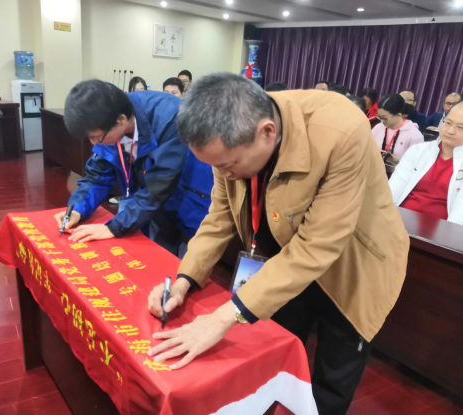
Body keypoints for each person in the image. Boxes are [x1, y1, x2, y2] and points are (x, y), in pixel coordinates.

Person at [146, 73, 409, 415]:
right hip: (283, 260)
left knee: (333, 377)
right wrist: (184, 279)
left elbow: (317, 246)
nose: (222, 174)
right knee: (274, 350)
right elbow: (219, 216)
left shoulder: (341, 129)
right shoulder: (228, 140)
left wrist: (223, 316)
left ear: (267, 132)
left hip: (354, 264)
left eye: (227, 166)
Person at [55, 80, 209, 257]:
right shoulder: (108, 119)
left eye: (97, 138)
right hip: (152, 203)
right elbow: (97, 175)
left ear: (121, 120)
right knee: (156, 257)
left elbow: (160, 185)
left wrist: (114, 227)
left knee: (186, 262)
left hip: (189, 197)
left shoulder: (171, 116)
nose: (93, 143)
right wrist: (76, 209)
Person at [389, 102, 463, 224]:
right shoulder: (418, 151)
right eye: (448, 123)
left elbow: (459, 215)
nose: (450, 131)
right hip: (399, 221)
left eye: (460, 127)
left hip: (442, 231)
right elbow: (394, 188)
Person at [372, 94, 424, 163]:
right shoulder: (378, 128)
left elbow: (415, 163)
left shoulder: (414, 135)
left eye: (384, 118)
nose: (382, 121)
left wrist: (393, 159)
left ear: (399, 115)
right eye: (379, 117)